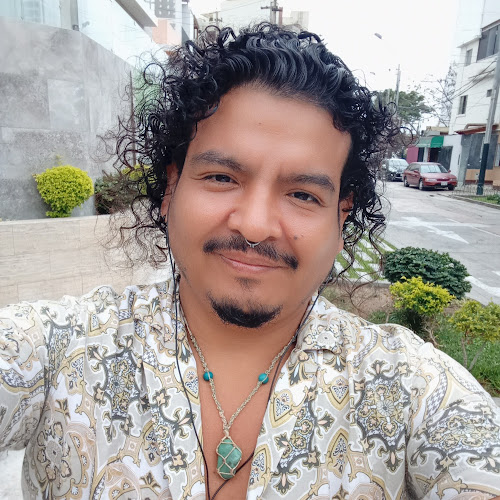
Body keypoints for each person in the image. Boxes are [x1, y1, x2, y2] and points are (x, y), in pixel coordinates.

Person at [0, 23, 499, 500]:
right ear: (171, 189)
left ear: (341, 218)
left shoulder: (414, 387)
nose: (256, 226)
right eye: (222, 177)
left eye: (302, 194)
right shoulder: (59, 348)